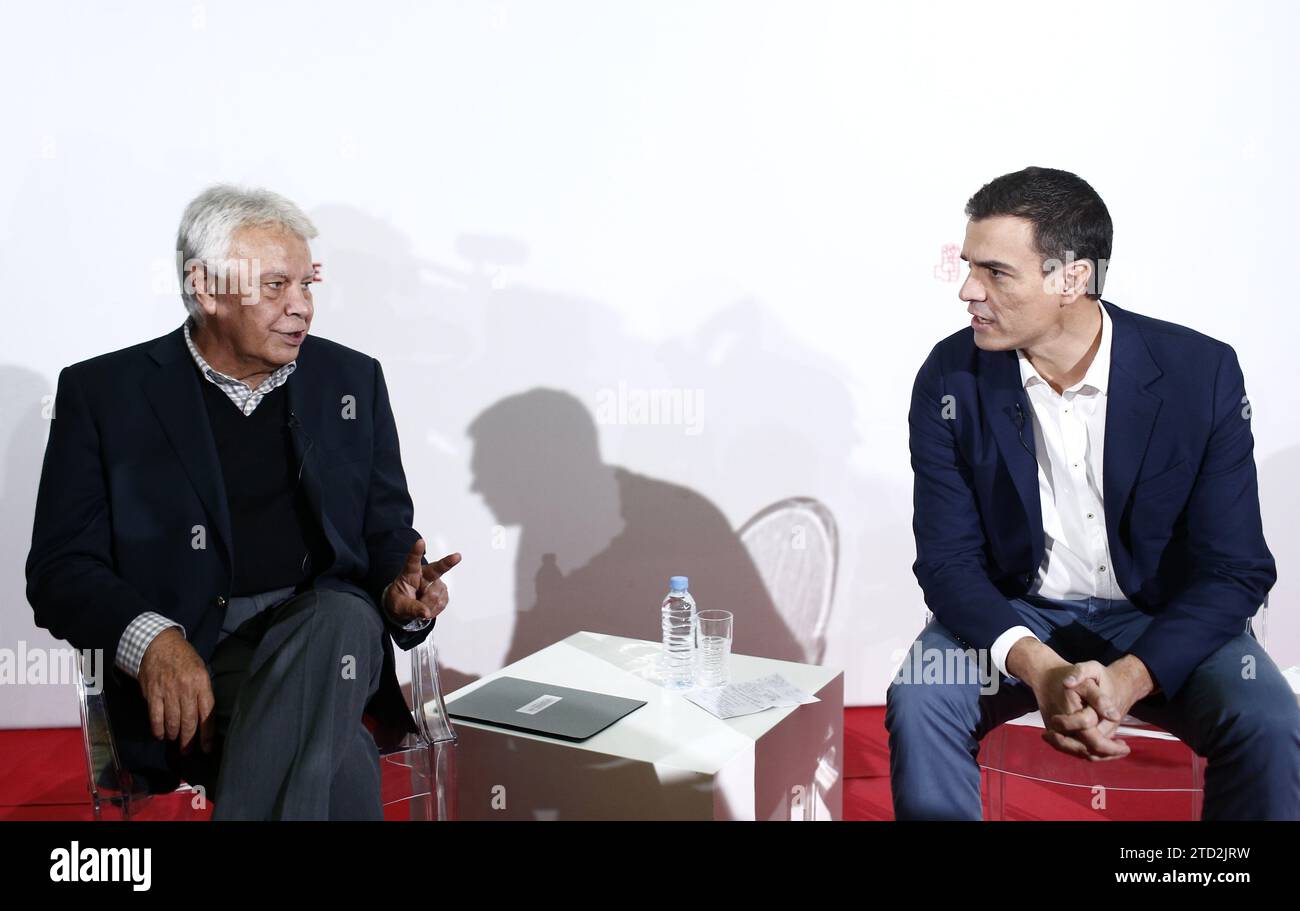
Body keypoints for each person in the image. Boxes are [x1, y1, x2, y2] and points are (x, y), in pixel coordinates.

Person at [26, 184, 461, 820]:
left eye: (308, 285)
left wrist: (403, 594)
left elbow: (385, 534)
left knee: (338, 618)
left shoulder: (351, 380)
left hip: (336, 635)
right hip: (199, 666)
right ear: (205, 287)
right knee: (338, 762)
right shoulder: (104, 394)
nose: (302, 308)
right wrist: (153, 642)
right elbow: (60, 569)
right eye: (277, 286)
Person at [888, 166, 1300, 820]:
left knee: (1270, 721)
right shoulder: (950, 376)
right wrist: (1041, 666)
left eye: (996, 272)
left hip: (1163, 614)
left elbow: (1235, 568)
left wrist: (1132, 675)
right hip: (1017, 612)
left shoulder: (1200, 372)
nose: (968, 290)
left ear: (1072, 278)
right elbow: (947, 564)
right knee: (920, 694)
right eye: (970, 266)